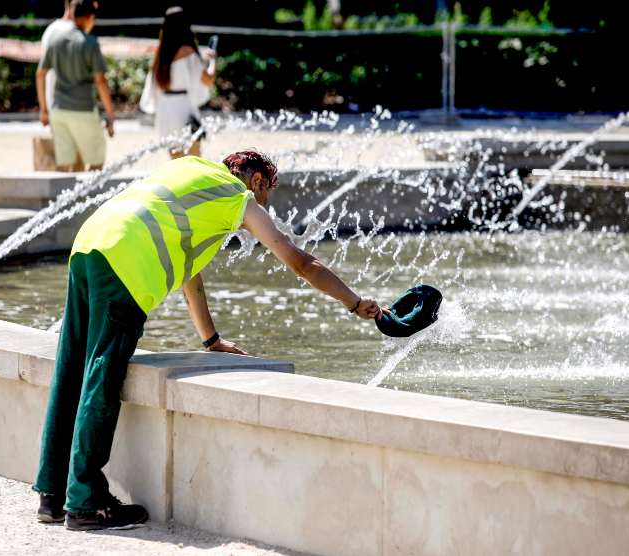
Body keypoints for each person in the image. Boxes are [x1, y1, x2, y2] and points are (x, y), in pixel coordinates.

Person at [34, 151, 382, 531]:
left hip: (92, 242)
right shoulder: (239, 197)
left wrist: (211, 339)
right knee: (103, 372)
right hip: (127, 262)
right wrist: (354, 302)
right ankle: (85, 502)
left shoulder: (191, 170)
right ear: (258, 182)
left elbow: (190, 276)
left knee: (72, 365)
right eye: (267, 195)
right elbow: (301, 262)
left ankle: (51, 495)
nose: (266, 206)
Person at [36, 0, 115, 172]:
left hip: (58, 111)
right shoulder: (90, 43)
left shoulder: (55, 40)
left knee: (64, 165)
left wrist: (43, 108)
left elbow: (40, 74)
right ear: (89, 17)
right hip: (83, 109)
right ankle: (91, 198)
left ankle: (62, 199)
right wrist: (110, 113)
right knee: (96, 161)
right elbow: (100, 81)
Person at [139, 6, 216, 158]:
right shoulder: (188, 51)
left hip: (165, 111)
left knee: (176, 162)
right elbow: (208, 80)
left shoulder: (161, 53)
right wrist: (213, 60)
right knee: (194, 160)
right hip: (184, 110)